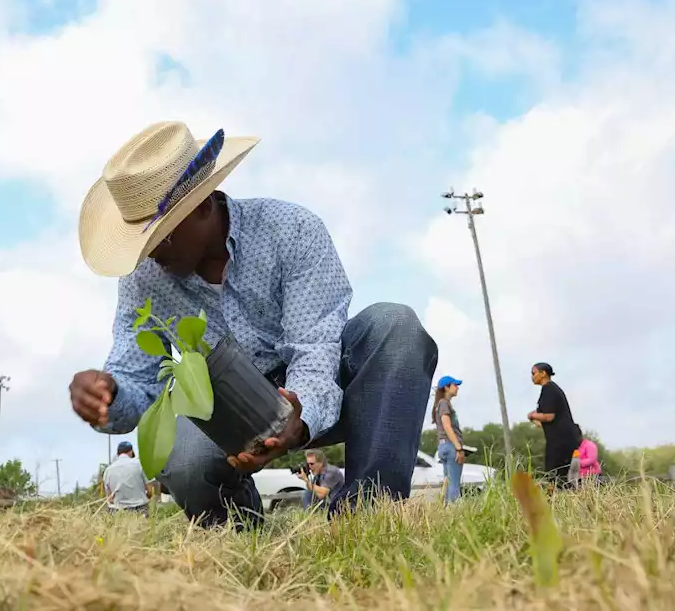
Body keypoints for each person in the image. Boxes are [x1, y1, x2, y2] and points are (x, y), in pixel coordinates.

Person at [67, 122, 439, 528]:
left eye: (160, 237)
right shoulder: (144, 279)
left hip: (327, 389)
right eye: (140, 243)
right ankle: (238, 532)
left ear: (204, 206)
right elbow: (136, 377)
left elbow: (315, 349)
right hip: (228, 415)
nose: (150, 255)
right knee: (183, 457)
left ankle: (369, 515)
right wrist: (108, 395)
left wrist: (296, 420)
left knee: (394, 325)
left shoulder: (291, 231)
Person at [528, 363, 577, 489]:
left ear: (543, 373)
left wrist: (532, 415)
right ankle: (561, 502)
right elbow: (541, 421)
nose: (532, 377)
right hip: (558, 439)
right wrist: (533, 417)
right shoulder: (549, 390)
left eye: (534, 373)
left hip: (561, 440)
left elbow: (549, 416)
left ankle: (561, 503)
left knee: (556, 475)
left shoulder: (549, 389)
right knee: (556, 474)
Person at [432, 375, 466, 504]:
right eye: (455, 385)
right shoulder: (444, 404)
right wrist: (459, 448)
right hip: (451, 446)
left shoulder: (439, 404)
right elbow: (447, 426)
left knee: (448, 484)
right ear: (446, 387)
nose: (457, 388)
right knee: (454, 485)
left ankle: (446, 512)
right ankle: (455, 512)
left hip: (443, 446)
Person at [102, 441, 151, 514]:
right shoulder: (140, 465)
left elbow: (109, 497)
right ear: (131, 451)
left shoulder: (108, 470)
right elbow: (150, 491)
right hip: (139, 509)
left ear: (118, 454)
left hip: (116, 511)